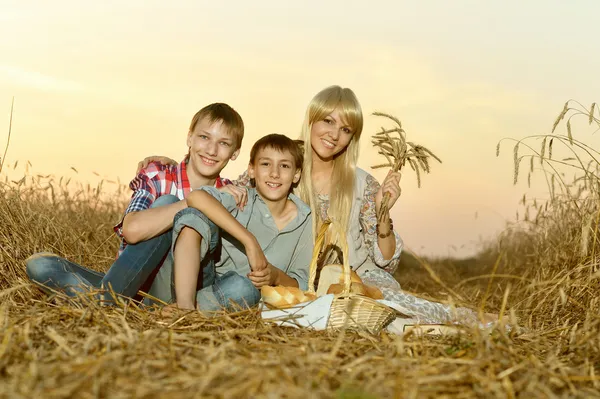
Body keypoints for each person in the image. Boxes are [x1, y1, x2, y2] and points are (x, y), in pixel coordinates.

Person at [141, 87, 502, 327]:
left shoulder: (361, 183)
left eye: (346, 129)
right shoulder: (283, 166)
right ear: (311, 120)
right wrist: (177, 165)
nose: (334, 133)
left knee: (389, 306)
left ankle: (463, 325)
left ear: (352, 137)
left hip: (352, 279)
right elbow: (230, 191)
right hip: (290, 282)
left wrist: (384, 214)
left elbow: (386, 260)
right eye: (328, 121)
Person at [25, 103, 248, 305]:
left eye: (224, 143)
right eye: (204, 137)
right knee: (40, 264)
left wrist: (215, 198)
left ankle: (103, 303)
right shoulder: (158, 175)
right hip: (132, 284)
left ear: (235, 152)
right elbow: (131, 231)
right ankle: (112, 301)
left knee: (171, 206)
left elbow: (273, 179)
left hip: (181, 293)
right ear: (189, 138)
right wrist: (197, 200)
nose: (211, 150)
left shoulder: (231, 192)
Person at [151, 133, 312, 311]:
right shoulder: (240, 197)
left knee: (245, 288)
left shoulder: (304, 220)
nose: (274, 173)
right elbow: (196, 197)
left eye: (284, 166)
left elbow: (302, 285)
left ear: (296, 174)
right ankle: (185, 307)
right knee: (193, 218)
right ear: (251, 170)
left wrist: (275, 277)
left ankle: (184, 310)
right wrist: (249, 241)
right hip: (195, 279)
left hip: (235, 294)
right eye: (266, 164)